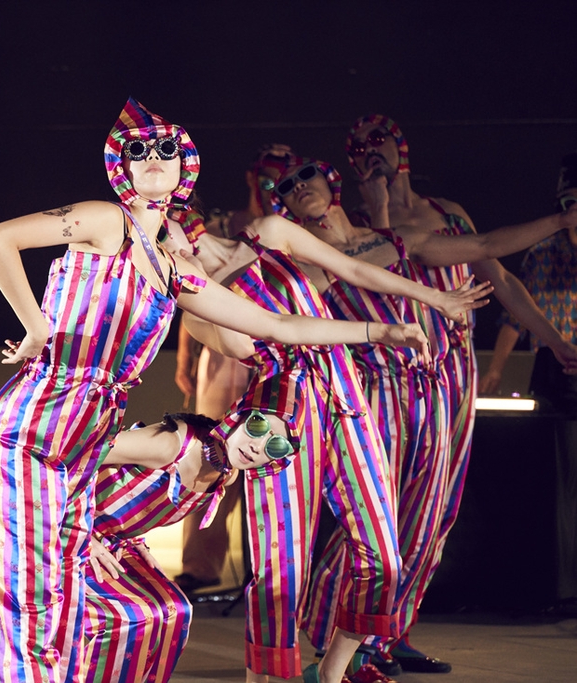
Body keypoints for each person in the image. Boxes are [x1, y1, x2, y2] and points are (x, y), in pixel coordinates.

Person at [0, 97, 431, 683]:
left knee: (148, 613)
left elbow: (278, 326)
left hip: (88, 434)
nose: (154, 158)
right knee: (37, 609)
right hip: (35, 425)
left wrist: (383, 329)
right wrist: (36, 327)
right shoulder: (104, 220)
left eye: (167, 148)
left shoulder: (173, 268)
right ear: (124, 171)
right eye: (138, 152)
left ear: (184, 166)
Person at [155, 181, 496, 682]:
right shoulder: (195, 301)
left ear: (182, 216)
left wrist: (435, 298)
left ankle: (329, 674)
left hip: (346, 397)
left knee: (383, 557)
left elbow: (354, 268)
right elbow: (269, 332)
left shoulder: (269, 232)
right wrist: (198, 280)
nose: (155, 248)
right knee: (279, 571)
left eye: (157, 233)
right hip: (279, 417)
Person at [264, 156, 577, 682]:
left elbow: (484, 249)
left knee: (429, 518)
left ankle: (383, 637)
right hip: (374, 394)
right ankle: (333, 641)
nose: (299, 187)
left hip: (435, 391)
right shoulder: (309, 267)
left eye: (306, 175)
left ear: (331, 181)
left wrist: (561, 222)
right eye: (287, 186)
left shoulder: (398, 239)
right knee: (374, 524)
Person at [342, 114, 577, 674]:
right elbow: (384, 269)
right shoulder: (350, 224)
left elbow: (502, 279)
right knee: (385, 509)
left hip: (453, 373)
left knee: (434, 511)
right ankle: (357, 639)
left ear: (404, 149)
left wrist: (556, 342)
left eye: (381, 142)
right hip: (389, 376)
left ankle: (394, 631)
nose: (371, 153)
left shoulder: (447, 213)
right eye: (359, 149)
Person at [173, 145, 292, 595]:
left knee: (271, 449)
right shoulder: (223, 224)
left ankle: (274, 572)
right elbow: (194, 289)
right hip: (223, 351)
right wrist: (184, 359)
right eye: (266, 175)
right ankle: (200, 566)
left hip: (276, 347)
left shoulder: (289, 228)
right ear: (251, 175)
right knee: (213, 447)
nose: (272, 183)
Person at [81, 413, 240, 683]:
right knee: (132, 616)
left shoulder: (227, 474)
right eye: (257, 429)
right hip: (65, 527)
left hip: (114, 541)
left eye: (276, 447)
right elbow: (74, 458)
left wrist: (136, 534)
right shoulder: (172, 444)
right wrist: (80, 532)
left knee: (176, 611)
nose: (258, 448)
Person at [479, 151, 577, 416]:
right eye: (571, 203)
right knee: (553, 440)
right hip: (552, 364)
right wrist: (496, 368)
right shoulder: (543, 253)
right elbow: (516, 312)